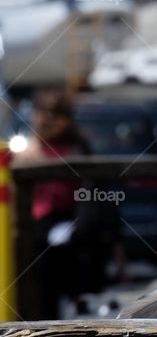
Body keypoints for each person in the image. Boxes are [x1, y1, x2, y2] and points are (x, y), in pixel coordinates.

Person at [15, 90, 91, 317]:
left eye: (53, 114)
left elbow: (90, 190)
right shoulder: (30, 148)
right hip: (35, 224)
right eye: (41, 113)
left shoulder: (76, 147)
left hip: (69, 219)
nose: (46, 120)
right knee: (38, 287)